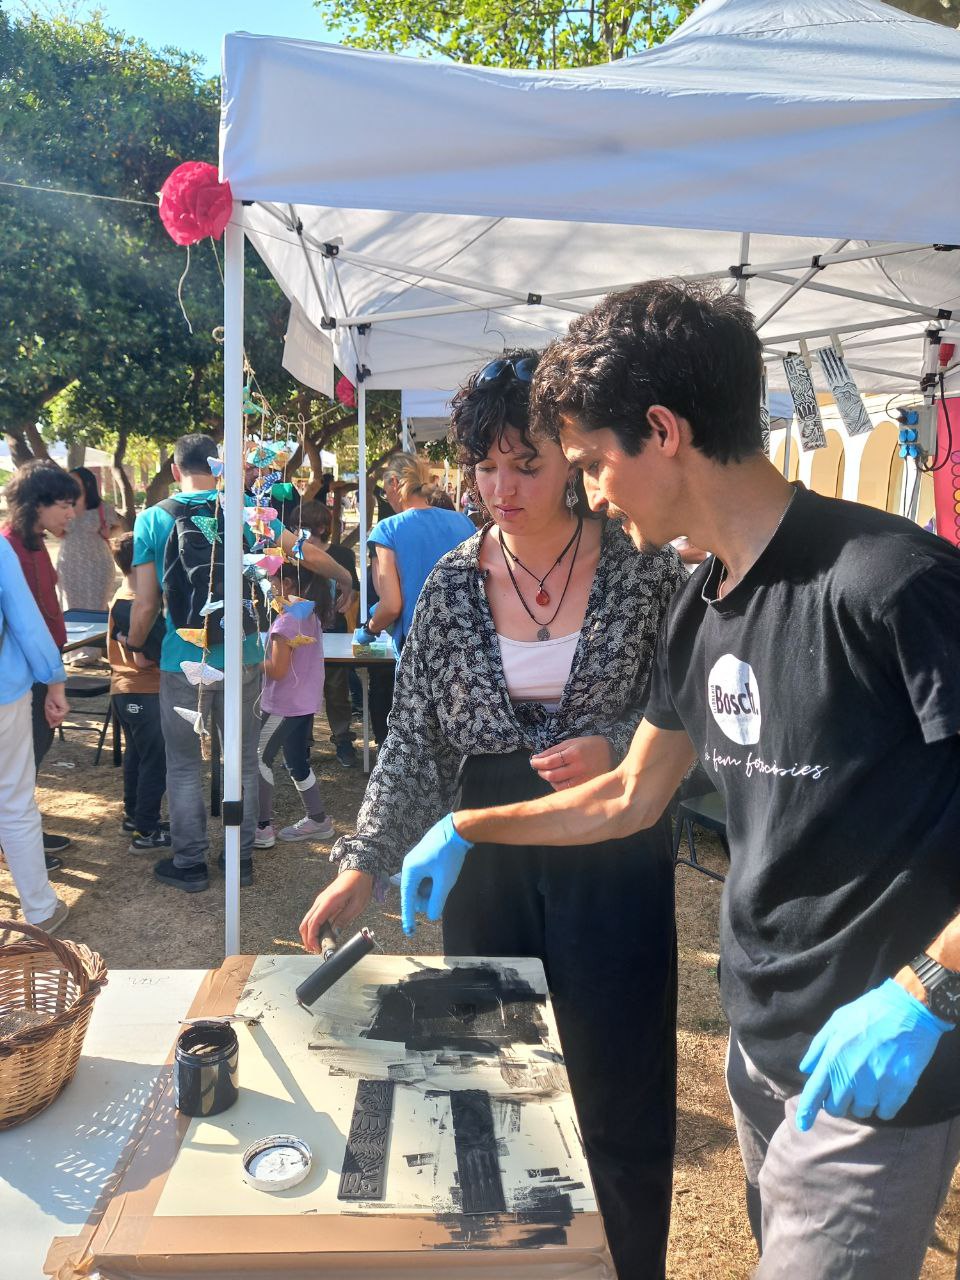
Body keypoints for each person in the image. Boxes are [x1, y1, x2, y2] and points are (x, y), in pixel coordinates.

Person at [395, 282, 960, 1280]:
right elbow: (628, 797)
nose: (596, 492)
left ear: (662, 430)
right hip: (763, 1045)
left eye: (594, 462)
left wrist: (931, 988)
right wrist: (472, 828)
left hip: (883, 1063)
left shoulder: (893, 582)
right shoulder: (701, 606)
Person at [300, 351, 687, 1280]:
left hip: (616, 848)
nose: (501, 487)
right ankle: (509, 1262)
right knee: (489, 1086)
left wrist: (621, 742)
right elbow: (413, 745)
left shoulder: (643, 570)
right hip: (483, 858)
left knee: (618, 1088)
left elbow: (693, 706)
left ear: (575, 459)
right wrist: (364, 860)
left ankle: (631, 1265)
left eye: (527, 464)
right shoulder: (450, 587)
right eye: (485, 464)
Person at [124, 434, 355, 894]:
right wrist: (344, 575)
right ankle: (240, 858)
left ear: (175, 470)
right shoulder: (246, 510)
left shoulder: (153, 518)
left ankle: (189, 863)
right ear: (218, 466)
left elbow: (146, 602)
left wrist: (133, 643)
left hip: (183, 657)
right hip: (246, 651)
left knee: (185, 764)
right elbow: (303, 549)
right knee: (243, 760)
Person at [2, 460, 80, 867]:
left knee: (33, 756)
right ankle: (15, 846)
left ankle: (23, 833)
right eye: (64, 504)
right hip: (21, 678)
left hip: (45, 670)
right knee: (16, 766)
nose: (71, 513)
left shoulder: (34, 546)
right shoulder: (7, 547)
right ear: (36, 504)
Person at [0, 536, 71, 933]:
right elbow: (26, 620)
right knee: (13, 803)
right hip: (4, 692)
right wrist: (54, 680)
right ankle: (41, 909)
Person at [255, 563, 333, 848]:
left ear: (287, 584)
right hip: (303, 703)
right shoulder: (309, 615)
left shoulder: (287, 622)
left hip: (283, 706)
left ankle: (261, 826)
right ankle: (318, 819)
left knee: (259, 757)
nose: (270, 587)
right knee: (297, 762)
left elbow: (277, 670)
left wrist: (247, 663)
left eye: (273, 582)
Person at [107, 533, 169, 852]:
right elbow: (143, 658)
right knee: (155, 762)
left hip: (125, 692)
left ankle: (134, 816)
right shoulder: (136, 604)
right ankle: (146, 830)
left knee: (137, 756)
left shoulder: (123, 595)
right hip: (143, 692)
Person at [298, 500, 360, 768]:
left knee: (337, 689)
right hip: (299, 633)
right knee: (302, 689)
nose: (299, 534)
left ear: (322, 528)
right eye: (294, 528)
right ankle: (302, 744)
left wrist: (345, 605)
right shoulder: (293, 553)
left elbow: (353, 589)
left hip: (333, 633)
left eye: (305, 528)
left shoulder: (342, 554)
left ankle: (343, 739)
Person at [57, 465, 121, 664]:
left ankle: (94, 651)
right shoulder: (62, 505)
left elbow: (117, 529)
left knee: (97, 605)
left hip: (98, 561)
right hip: (70, 560)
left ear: (87, 483)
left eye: (75, 480)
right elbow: (57, 532)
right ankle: (72, 650)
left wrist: (106, 532)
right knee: (71, 604)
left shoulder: (101, 506)